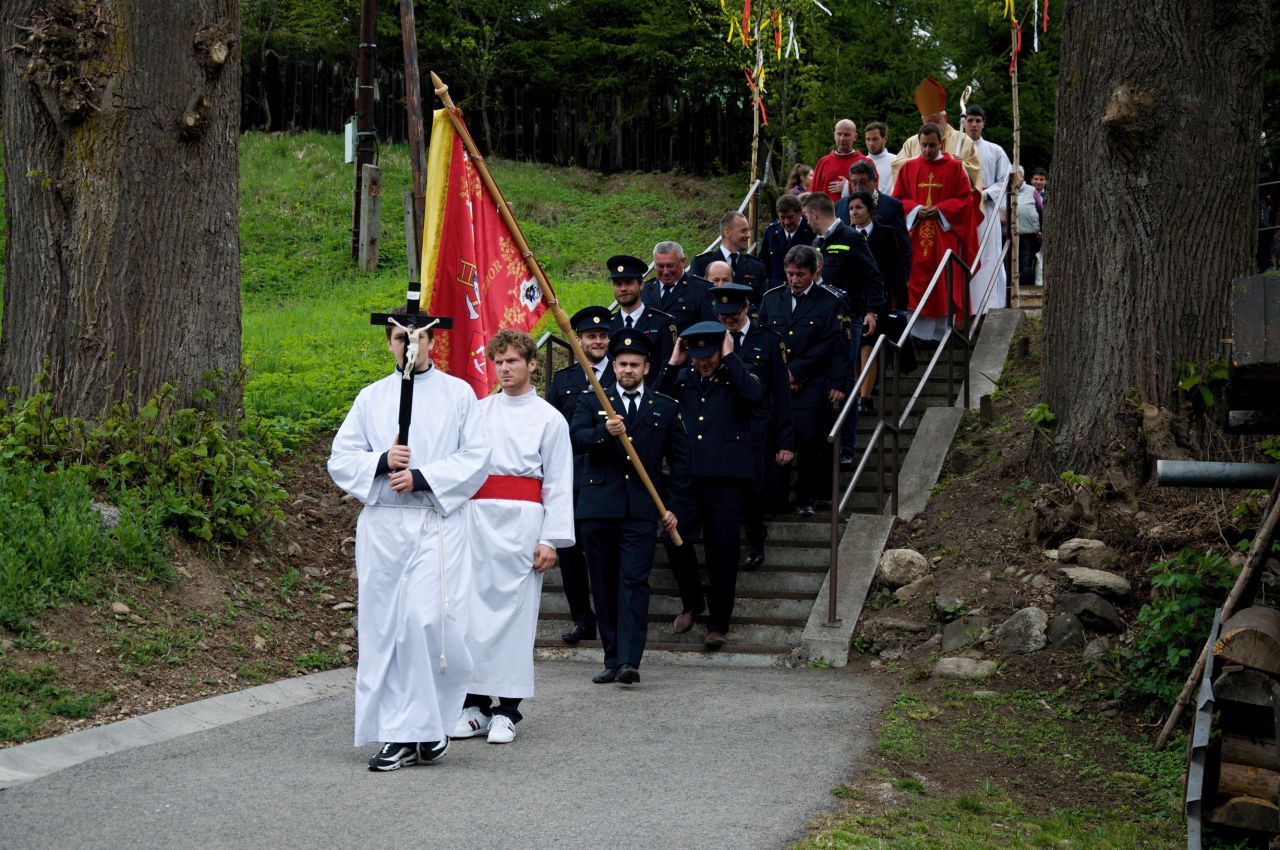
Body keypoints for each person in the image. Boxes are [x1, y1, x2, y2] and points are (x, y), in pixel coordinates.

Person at [327, 310, 491, 771]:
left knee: (425, 622)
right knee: (385, 629)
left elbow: (477, 457)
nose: (409, 345)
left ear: (432, 342)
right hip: (383, 527)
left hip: (434, 524)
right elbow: (341, 459)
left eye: (417, 338)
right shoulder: (372, 397)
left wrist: (422, 476)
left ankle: (428, 724)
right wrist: (382, 461)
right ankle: (402, 734)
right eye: (401, 338)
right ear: (389, 343)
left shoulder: (458, 394)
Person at [453, 330, 574, 745]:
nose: (504, 369)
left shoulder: (549, 418)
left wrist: (550, 539)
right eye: (499, 362)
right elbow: (461, 468)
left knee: (515, 617)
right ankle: (473, 706)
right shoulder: (479, 412)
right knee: (470, 615)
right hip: (477, 521)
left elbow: (558, 481)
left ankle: (507, 710)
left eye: (512, 361)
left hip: (523, 523)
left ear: (532, 364)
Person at [571, 331, 690, 684]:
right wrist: (603, 432)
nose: (627, 370)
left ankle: (629, 661)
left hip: (641, 511)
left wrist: (673, 507)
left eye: (634, 365)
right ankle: (612, 658)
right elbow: (574, 438)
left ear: (646, 368)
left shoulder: (664, 407)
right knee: (604, 585)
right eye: (622, 364)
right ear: (614, 366)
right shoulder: (593, 400)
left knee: (634, 583)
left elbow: (682, 464)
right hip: (598, 509)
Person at [659, 321, 764, 648]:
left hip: (726, 477)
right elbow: (655, 403)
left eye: (710, 355)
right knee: (673, 537)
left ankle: (719, 623)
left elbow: (755, 395)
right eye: (697, 355)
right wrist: (673, 363)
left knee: (723, 549)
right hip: (688, 476)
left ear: (722, 349)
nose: (703, 362)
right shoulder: (683, 378)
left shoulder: (739, 374)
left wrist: (732, 357)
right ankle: (693, 601)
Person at [758, 245, 849, 517]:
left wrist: (798, 373)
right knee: (776, 438)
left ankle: (805, 496)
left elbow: (833, 345)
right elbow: (763, 339)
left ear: (813, 272)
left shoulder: (829, 302)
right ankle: (777, 498)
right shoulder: (772, 299)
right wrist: (780, 374)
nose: (794, 280)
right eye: (790, 274)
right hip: (777, 383)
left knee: (810, 439)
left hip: (813, 383)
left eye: (800, 275)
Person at [708, 284, 793, 569]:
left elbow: (781, 394)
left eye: (732, 314)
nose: (727, 321)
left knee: (756, 491)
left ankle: (756, 542)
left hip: (756, 430)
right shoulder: (712, 338)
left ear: (746, 307)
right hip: (722, 428)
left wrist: (785, 441)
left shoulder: (768, 341)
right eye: (722, 316)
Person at [545, 305, 616, 645]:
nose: (598, 341)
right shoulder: (564, 380)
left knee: (605, 555)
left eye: (602, 336)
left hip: (609, 479)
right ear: (578, 340)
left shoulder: (622, 373)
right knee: (570, 554)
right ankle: (581, 619)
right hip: (571, 479)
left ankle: (611, 620)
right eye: (591, 336)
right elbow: (551, 429)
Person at [892, 123, 980, 343]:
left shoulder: (955, 168)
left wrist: (940, 210)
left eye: (932, 145)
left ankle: (942, 335)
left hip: (944, 236)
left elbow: (965, 200)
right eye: (923, 145)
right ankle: (914, 335)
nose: (927, 150)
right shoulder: (908, 168)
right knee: (915, 281)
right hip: (915, 235)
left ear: (941, 143)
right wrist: (915, 209)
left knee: (943, 282)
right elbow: (898, 200)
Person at [846, 191, 905, 417]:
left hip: (877, 300)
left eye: (859, 207)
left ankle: (866, 396)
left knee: (868, 346)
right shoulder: (847, 235)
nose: (854, 212)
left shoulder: (886, 233)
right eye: (851, 208)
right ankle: (857, 393)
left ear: (870, 210)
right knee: (855, 347)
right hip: (852, 300)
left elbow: (896, 268)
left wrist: (901, 300)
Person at [891, 78, 982, 191]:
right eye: (929, 122)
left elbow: (975, 174)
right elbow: (896, 166)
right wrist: (919, 161)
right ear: (923, 121)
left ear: (945, 118)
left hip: (949, 196)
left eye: (936, 121)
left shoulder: (963, 140)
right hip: (919, 197)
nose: (933, 126)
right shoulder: (912, 143)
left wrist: (958, 166)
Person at [962, 104, 1011, 314]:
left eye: (978, 121)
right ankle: (964, 306)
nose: (974, 124)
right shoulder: (955, 149)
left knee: (989, 255)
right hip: (962, 211)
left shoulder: (994, 150)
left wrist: (984, 194)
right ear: (964, 123)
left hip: (987, 210)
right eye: (970, 120)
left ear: (983, 124)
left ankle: (991, 304)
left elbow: (1006, 178)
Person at [837, 161, 911, 287]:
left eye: (863, 182)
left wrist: (903, 281)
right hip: (849, 279)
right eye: (854, 182)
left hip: (882, 277)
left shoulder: (892, 206)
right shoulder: (840, 206)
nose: (858, 187)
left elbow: (904, 247)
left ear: (874, 181)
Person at [607, 253, 677, 383]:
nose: (623, 289)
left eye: (629, 283)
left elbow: (667, 368)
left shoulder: (662, 322)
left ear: (641, 285)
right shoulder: (607, 324)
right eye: (618, 284)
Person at [689, 211, 767, 300]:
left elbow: (762, 303)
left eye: (748, 231)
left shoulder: (756, 267)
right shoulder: (701, 263)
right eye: (743, 231)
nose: (748, 235)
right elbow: (694, 298)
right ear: (727, 232)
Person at [642, 241, 714, 332]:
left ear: (682, 261)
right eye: (660, 266)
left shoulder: (701, 289)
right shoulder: (645, 290)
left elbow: (710, 327)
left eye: (670, 266)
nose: (665, 271)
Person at [759, 193, 816, 291]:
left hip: (803, 290)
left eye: (790, 217)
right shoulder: (771, 232)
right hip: (777, 290)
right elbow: (763, 263)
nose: (786, 222)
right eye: (782, 218)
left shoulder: (812, 231)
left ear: (800, 212)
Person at [811, 119, 871, 202]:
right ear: (834, 136)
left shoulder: (866, 162)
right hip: (827, 210)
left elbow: (874, 194)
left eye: (846, 135)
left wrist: (848, 187)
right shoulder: (823, 162)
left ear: (855, 137)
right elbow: (812, 193)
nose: (842, 138)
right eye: (839, 134)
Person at [1012, 167, 1042, 290]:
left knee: (1026, 265)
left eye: (1017, 176)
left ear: (1022, 177)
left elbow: (1040, 210)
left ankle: (1027, 290)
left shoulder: (1031, 191)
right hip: (1009, 235)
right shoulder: (1004, 191)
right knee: (1011, 265)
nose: (1014, 179)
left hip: (1028, 235)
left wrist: (1040, 230)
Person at [863, 121, 895, 195]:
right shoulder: (861, 162)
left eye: (875, 139)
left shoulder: (895, 161)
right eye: (868, 139)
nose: (871, 143)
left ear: (885, 139)